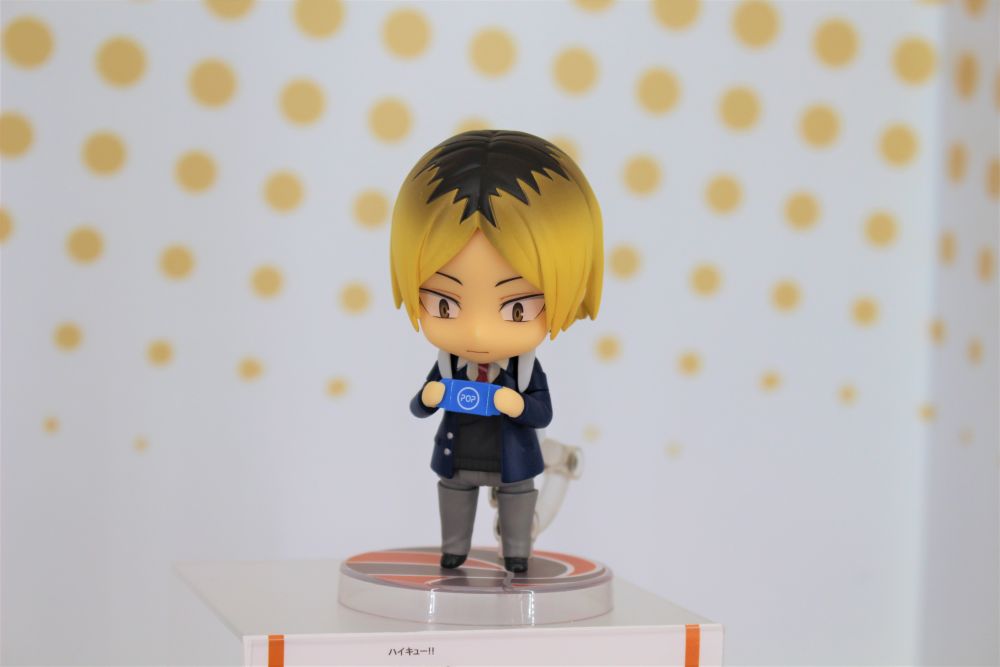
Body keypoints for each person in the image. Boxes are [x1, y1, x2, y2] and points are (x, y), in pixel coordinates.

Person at [389, 130, 603, 573]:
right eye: (445, 304)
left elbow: (542, 412)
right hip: (459, 456)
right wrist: (429, 397)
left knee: (518, 501)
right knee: (454, 495)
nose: (478, 331)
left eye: (516, 308)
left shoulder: (525, 372)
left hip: (513, 461)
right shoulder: (448, 365)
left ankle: (517, 552)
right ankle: (454, 548)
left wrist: (515, 403)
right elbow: (419, 406)